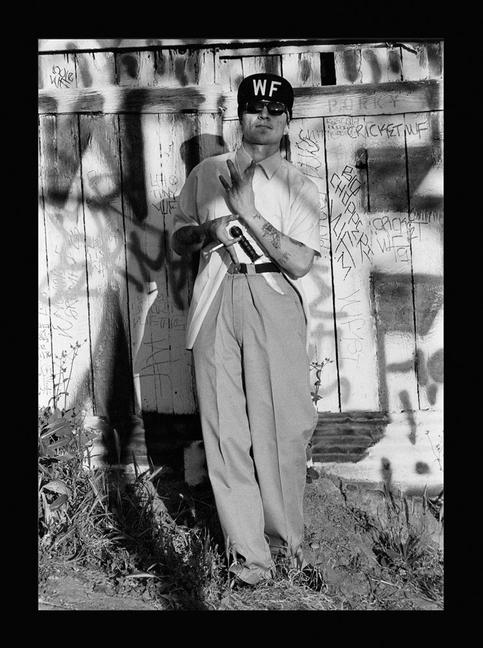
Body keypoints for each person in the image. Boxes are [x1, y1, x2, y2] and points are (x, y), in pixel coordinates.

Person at [171, 73, 321, 586]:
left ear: (286, 118)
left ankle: (287, 546)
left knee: (282, 427)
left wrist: (250, 216)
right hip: (215, 297)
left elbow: (299, 263)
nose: (263, 117)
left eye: (274, 110)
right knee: (225, 431)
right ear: (239, 113)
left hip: (272, 298)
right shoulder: (207, 172)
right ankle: (250, 560)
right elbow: (178, 238)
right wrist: (205, 231)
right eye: (253, 108)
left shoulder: (298, 185)